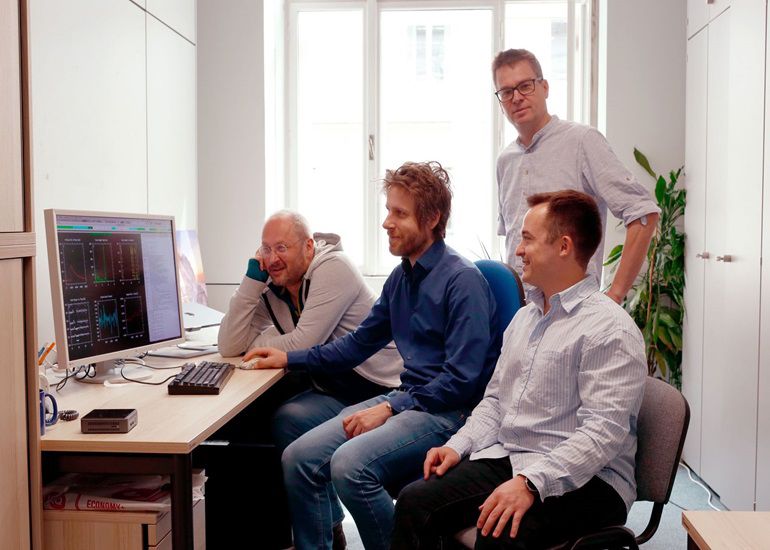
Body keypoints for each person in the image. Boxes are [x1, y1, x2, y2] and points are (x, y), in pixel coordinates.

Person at [245, 161, 502, 550]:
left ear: (432, 219)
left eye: (399, 213)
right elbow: (356, 344)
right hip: (409, 401)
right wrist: (289, 359)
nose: (386, 222)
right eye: (388, 210)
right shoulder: (402, 278)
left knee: (350, 466)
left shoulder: (462, 281)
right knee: (298, 458)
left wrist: (391, 408)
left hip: (449, 412)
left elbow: (462, 381)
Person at [391, 190, 647, 550]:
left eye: (527, 239)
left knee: (500, 535)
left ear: (563, 246)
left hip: (592, 479)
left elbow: (602, 434)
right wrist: (458, 445)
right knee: (414, 502)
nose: (518, 250)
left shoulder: (609, 329)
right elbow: (497, 399)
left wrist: (530, 483)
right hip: (515, 457)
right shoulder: (525, 318)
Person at [217, 210, 404, 548]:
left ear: (307, 246)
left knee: (298, 444)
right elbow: (230, 344)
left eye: (282, 248)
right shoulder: (274, 286)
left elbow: (305, 343)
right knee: (287, 420)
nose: (272, 259)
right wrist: (250, 280)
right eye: (265, 249)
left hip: (381, 388)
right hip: (338, 387)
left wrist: (255, 346)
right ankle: (327, 531)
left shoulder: (334, 268)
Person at [493, 48, 660, 304]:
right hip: (520, 311)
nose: (516, 97)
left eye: (525, 86)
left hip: (574, 311)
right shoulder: (505, 161)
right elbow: (512, 238)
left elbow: (643, 212)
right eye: (506, 92)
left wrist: (614, 295)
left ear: (545, 87)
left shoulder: (582, 142)